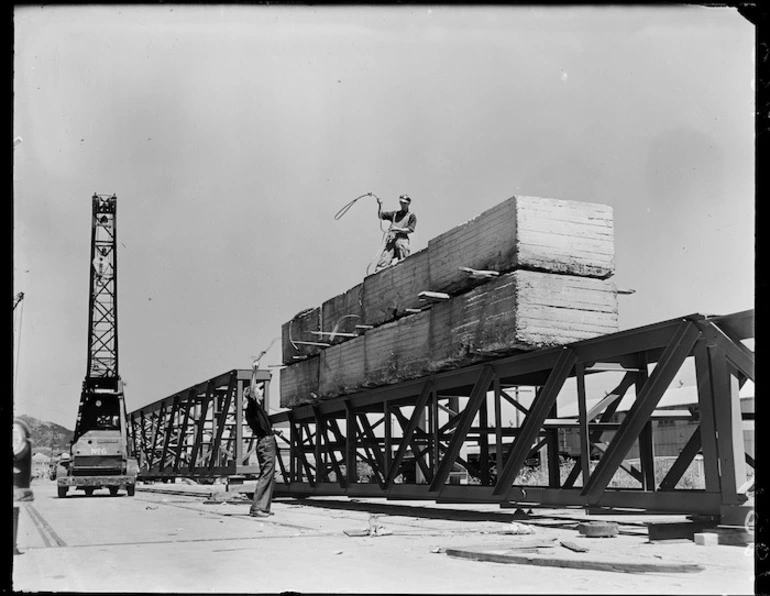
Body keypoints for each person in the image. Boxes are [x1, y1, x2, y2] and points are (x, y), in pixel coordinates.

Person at [244, 358, 276, 517]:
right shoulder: (252, 407)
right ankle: (257, 508)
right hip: (266, 443)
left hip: (267, 440)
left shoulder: (257, 410)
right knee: (266, 474)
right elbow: (251, 390)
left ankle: (263, 507)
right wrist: (254, 371)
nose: (262, 391)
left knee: (269, 474)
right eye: (260, 389)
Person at [374, 194, 417, 272]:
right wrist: (380, 205)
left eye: (404, 203)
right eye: (401, 203)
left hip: (402, 241)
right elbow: (381, 215)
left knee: (404, 262)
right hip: (392, 241)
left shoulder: (411, 216)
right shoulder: (395, 214)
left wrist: (398, 229)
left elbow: (410, 229)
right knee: (382, 263)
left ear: (408, 204)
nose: (402, 205)